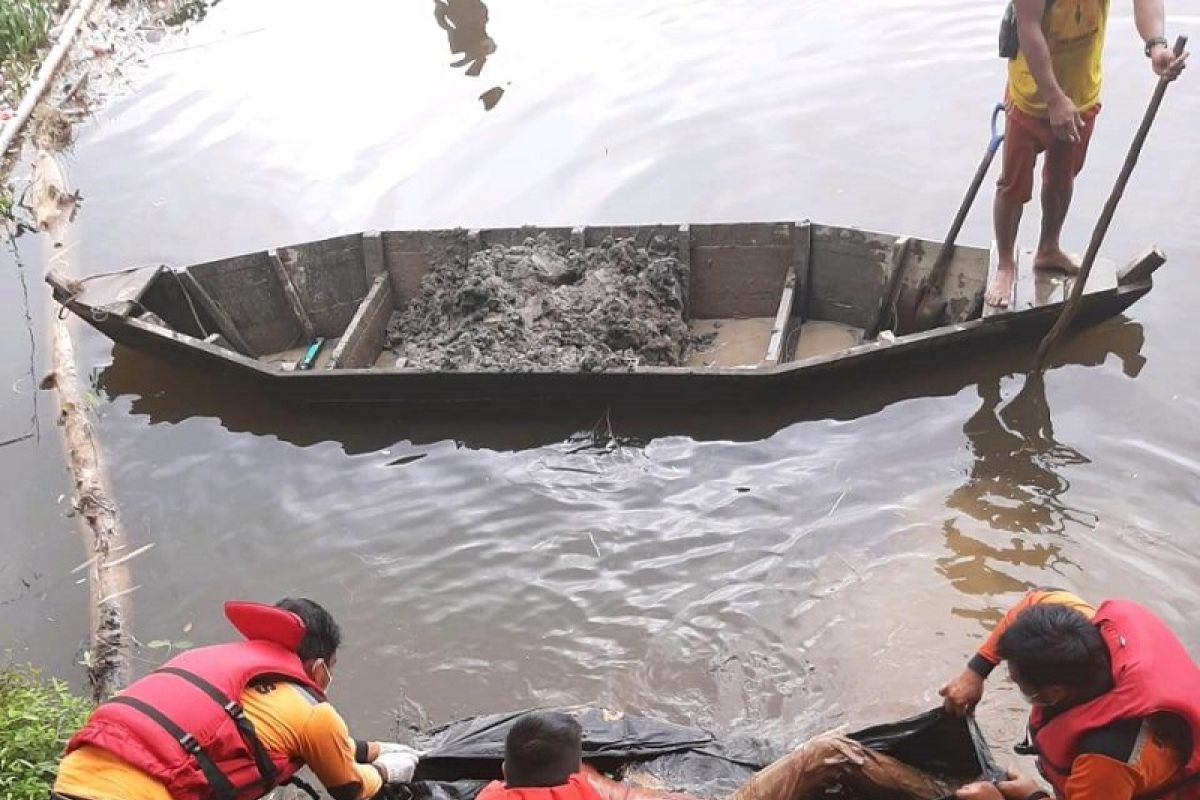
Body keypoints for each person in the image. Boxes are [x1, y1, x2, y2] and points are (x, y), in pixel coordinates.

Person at [53, 598, 420, 800]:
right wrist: (387, 769)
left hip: (74, 777)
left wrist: (373, 748)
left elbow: (268, 730)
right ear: (321, 667)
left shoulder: (208, 661)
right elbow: (350, 788)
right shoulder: (311, 710)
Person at [986, 0, 1188, 309]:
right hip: (1032, 96)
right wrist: (1054, 99)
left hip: (1081, 92)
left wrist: (1156, 45)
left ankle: (1049, 249)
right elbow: (1028, 28)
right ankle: (1005, 265)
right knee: (1013, 186)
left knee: (1062, 179)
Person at [940, 589, 1200, 800]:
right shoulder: (1078, 627)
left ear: (1054, 693)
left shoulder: (1106, 758)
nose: (1012, 679)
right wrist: (977, 671)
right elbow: (1031, 602)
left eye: (1018, 681)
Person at [478, 710, 971, 800]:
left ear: (505, 770)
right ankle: (954, 795)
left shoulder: (491, 796)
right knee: (829, 753)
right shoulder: (583, 791)